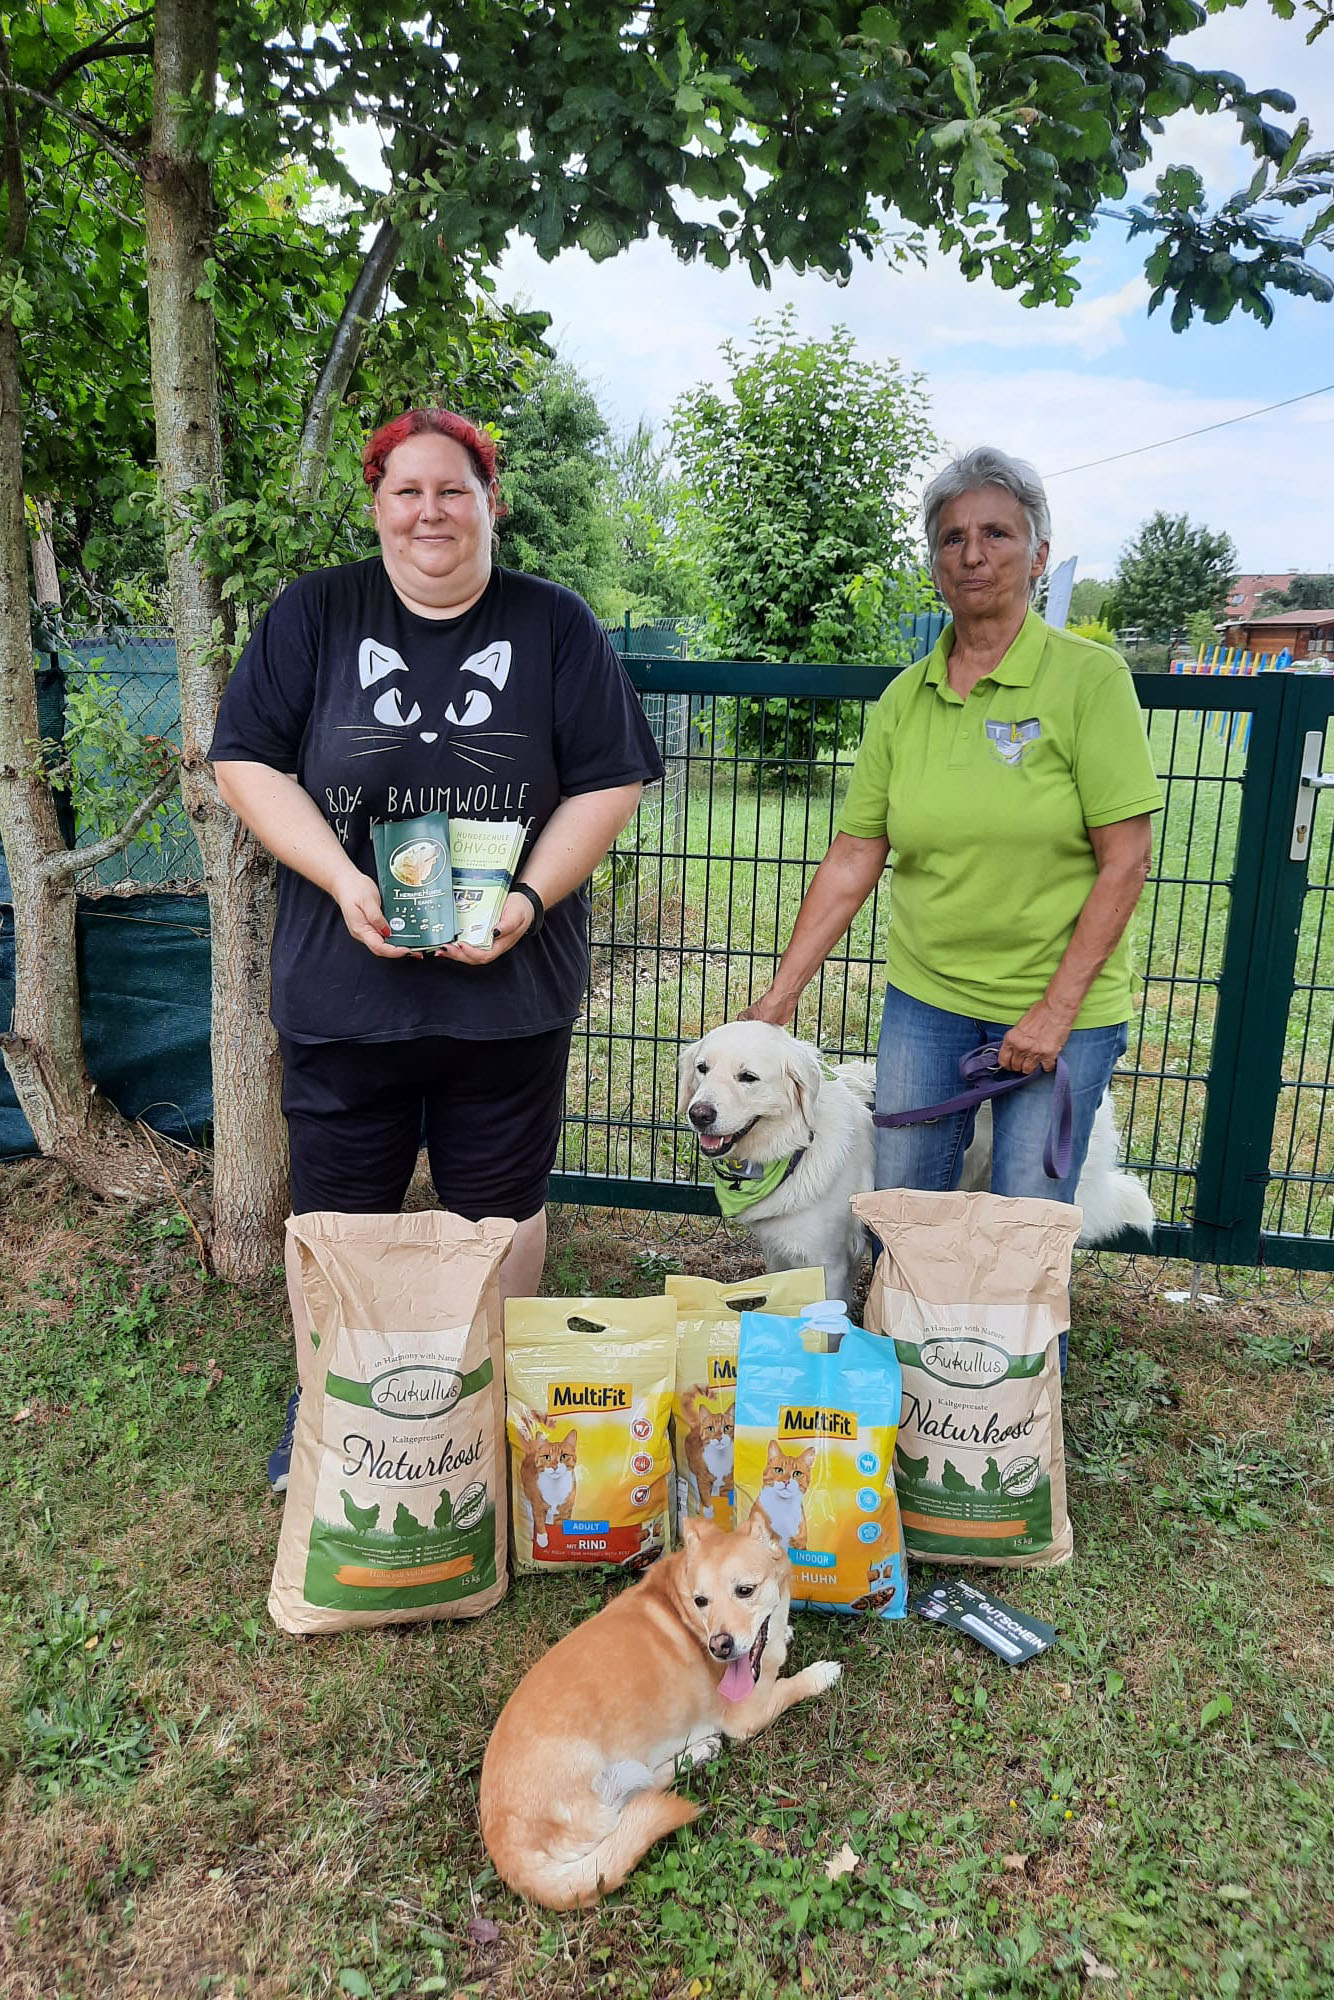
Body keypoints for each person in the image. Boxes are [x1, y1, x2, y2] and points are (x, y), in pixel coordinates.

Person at [209, 407, 664, 1486]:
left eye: (451, 489)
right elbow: (246, 762)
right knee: (337, 1215)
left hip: (506, 994)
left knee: (499, 1215)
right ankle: (328, 1402)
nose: (429, 511)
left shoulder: (554, 624)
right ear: (376, 505)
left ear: (489, 501)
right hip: (342, 990)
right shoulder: (315, 614)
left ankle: (485, 1410)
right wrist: (340, 876)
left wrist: (531, 897)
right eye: (405, 490)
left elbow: (609, 777)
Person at [743, 445, 1163, 1252]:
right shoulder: (905, 699)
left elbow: (1126, 859)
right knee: (901, 1208)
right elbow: (854, 856)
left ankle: (1012, 1379)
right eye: (952, 537)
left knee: (1024, 1221)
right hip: (927, 1001)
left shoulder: (1090, 679)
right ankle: (911, 1373)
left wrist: (1055, 1011)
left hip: (1059, 1004)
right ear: (933, 560)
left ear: (1038, 554)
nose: (973, 555)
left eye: (998, 535)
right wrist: (779, 998)